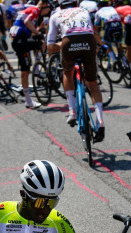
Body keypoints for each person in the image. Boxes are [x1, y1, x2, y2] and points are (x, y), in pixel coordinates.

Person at [46, 0, 106, 142]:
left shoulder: (55, 15)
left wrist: (61, 44)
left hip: (69, 43)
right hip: (88, 42)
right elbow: (91, 32)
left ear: (60, 5)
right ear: (75, 3)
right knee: (93, 84)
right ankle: (100, 121)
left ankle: (72, 111)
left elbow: (50, 47)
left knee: (68, 72)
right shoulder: (83, 11)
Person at [10, 3, 44, 108]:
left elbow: (29, 30)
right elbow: (26, 22)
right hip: (21, 43)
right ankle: (28, 101)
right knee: (25, 72)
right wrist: (38, 33)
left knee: (39, 43)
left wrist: (38, 31)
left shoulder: (28, 10)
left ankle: (38, 68)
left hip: (20, 41)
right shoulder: (35, 10)